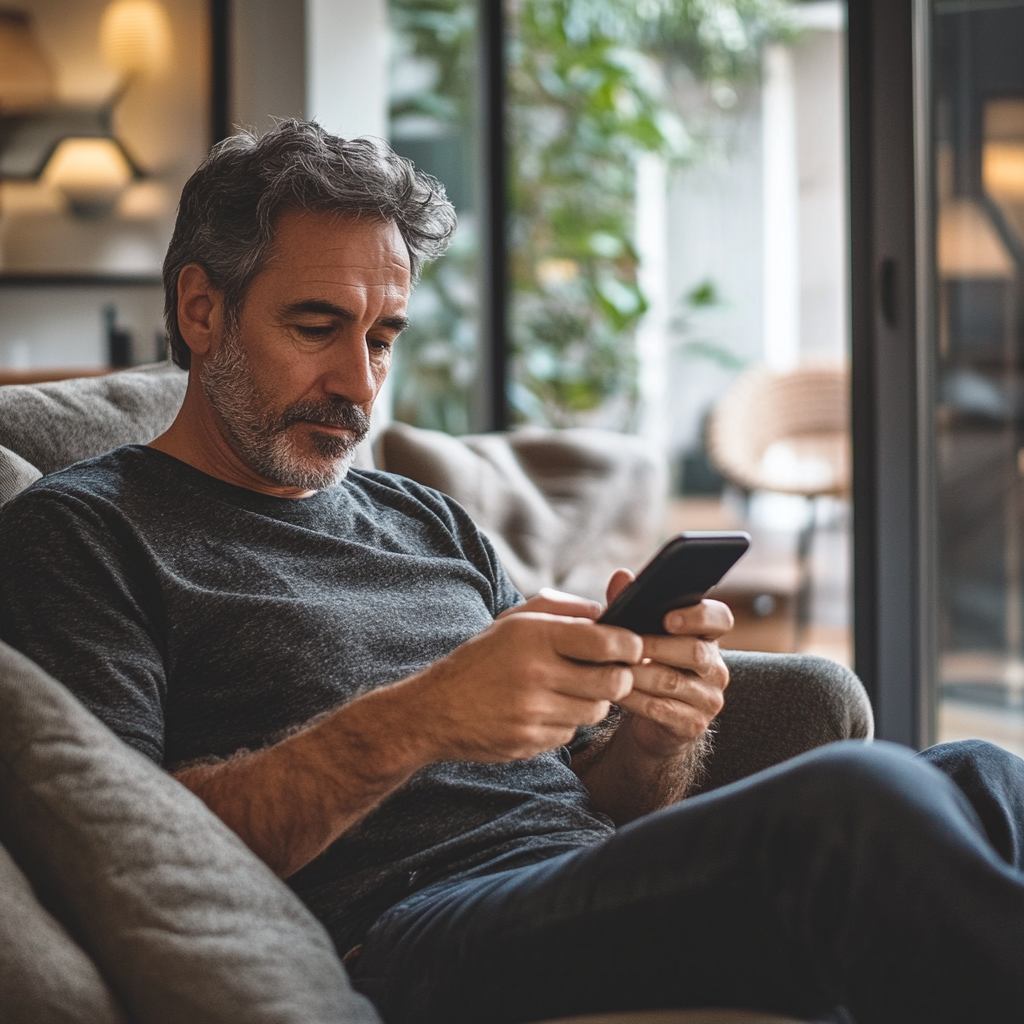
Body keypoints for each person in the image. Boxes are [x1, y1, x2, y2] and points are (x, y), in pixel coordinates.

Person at [0, 120, 1022, 1024]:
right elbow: (135, 854)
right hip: (405, 934)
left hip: (570, 882)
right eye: (316, 326)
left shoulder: (423, 516)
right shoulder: (82, 535)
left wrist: (660, 727)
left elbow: (611, 800)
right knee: (848, 803)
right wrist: (419, 717)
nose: (358, 385)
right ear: (201, 310)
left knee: (983, 770)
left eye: (383, 336)